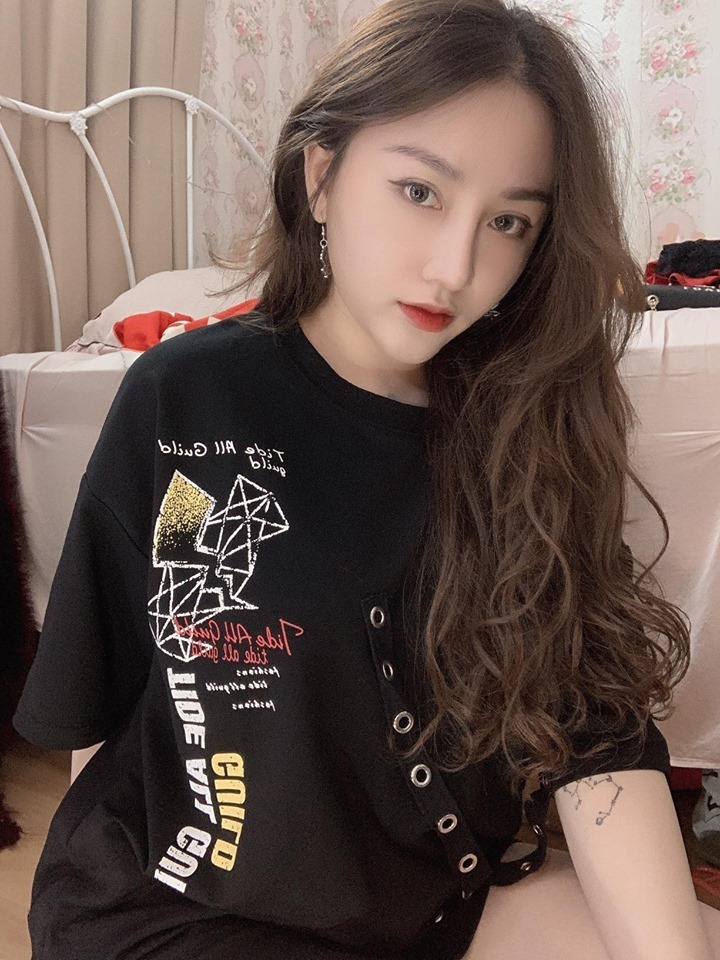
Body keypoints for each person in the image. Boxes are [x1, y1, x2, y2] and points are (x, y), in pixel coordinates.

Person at [13, 1, 715, 958]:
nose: (455, 266)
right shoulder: (193, 403)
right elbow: (105, 696)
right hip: (183, 913)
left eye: (509, 221)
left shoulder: (534, 425)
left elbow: (593, 731)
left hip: (422, 901)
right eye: (420, 191)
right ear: (322, 175)